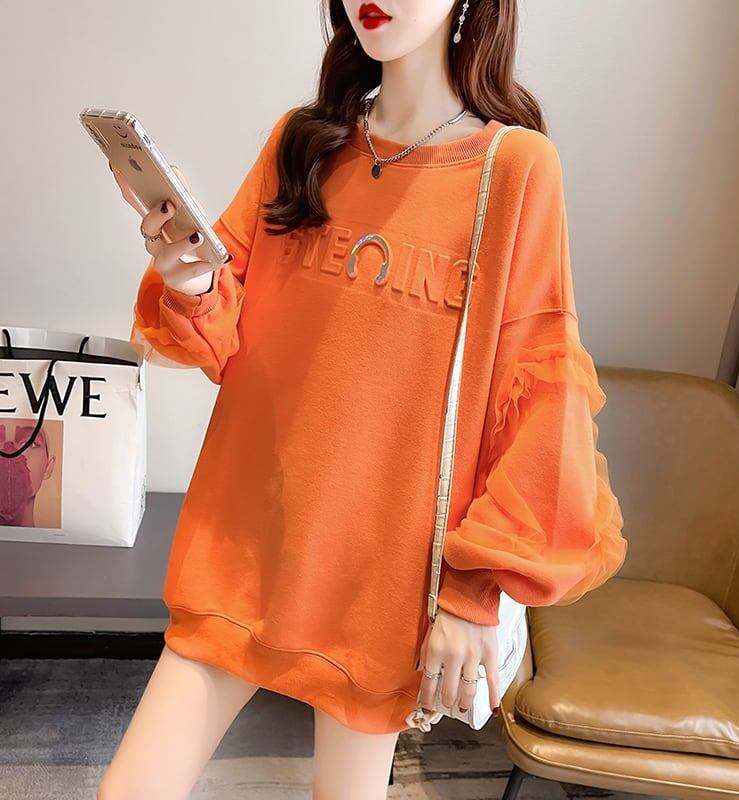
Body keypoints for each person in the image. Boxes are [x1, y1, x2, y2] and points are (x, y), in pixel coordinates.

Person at [98, 1, 628, 798]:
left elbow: (540, 400)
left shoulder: (515, 170)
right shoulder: (302, 144)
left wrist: (473, 594)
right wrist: (192, 280)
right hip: (244, 541)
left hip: (380, 583)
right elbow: (222, 337)